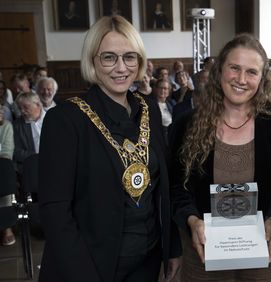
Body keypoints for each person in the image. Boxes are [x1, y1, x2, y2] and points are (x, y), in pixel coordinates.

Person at [38, 15, 181, 282]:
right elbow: (55, 211)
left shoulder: (148, 107)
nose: (121, 67)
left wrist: (171, 247)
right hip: (90, 265)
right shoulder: (65, 120)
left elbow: (163, 185)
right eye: (108, 57)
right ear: (93, 60)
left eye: (129, 57)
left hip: (147, 261)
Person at [169, 33, 271, 281]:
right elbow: (177, 187)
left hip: (265, 251)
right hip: (204, 251)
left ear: (262, 79)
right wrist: (192, 219)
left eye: (252, 72)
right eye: (234, 68)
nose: (241, 79)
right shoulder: (186, 125)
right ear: (220, 71)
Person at [13, 91, 45, 171]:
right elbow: (16, 151)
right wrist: (38, 157)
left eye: (25, 107)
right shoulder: (17, 125)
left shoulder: (52, 120)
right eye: (20, 108)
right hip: (30, 168)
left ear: (37, 105)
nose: (22, 111)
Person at [0, 106, 15, 246]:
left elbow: (7, 152)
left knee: (4, 172)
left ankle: (6, 227)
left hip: (2, 165)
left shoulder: (6, 127)